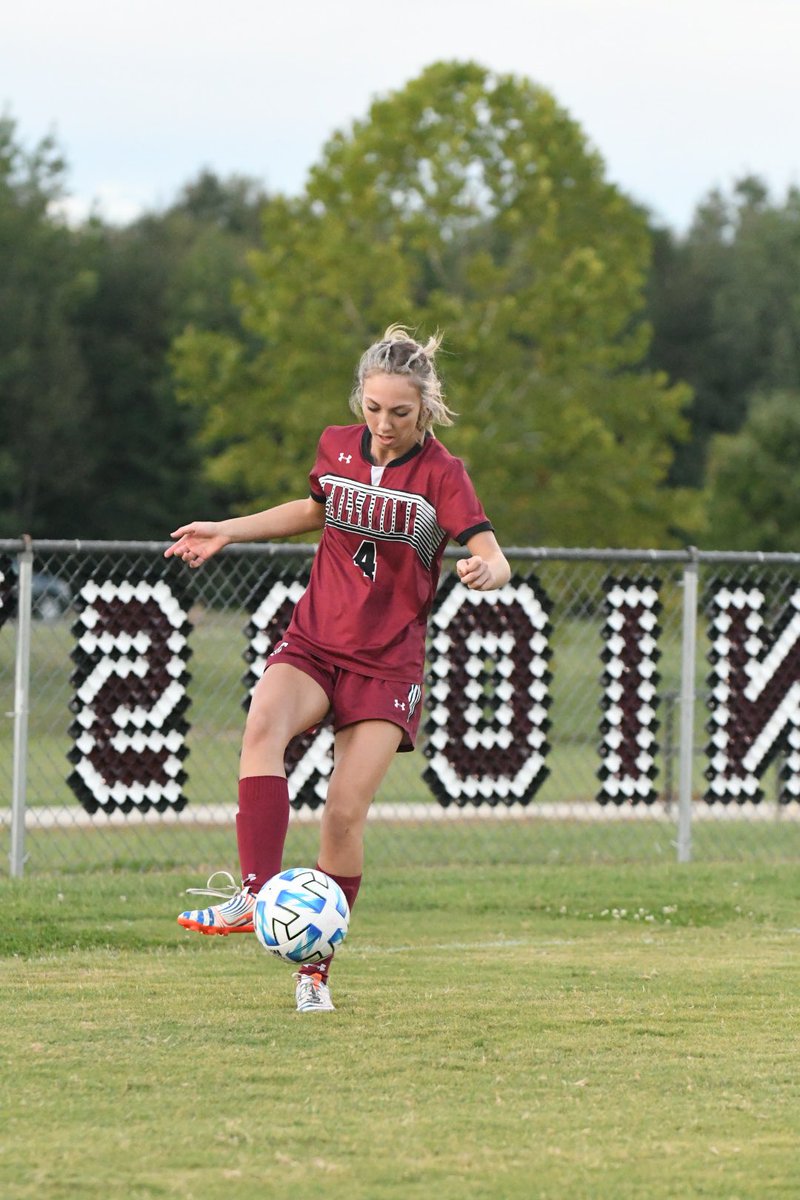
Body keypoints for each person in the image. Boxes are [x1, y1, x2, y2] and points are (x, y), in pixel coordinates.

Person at [166, 324, 510, 1012]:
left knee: (343, 815)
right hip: (316, 642)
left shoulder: (444, 473)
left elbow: (490, 550)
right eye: (373, 408)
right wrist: (228, 529)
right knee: (262, 727)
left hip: (387, 665)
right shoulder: (335, 445)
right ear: (361, 399)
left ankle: (314, 973)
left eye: (400, 413)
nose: (383, 425)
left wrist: (489, 570)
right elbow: (312, 509)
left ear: (426, 410)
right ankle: (256, 895)